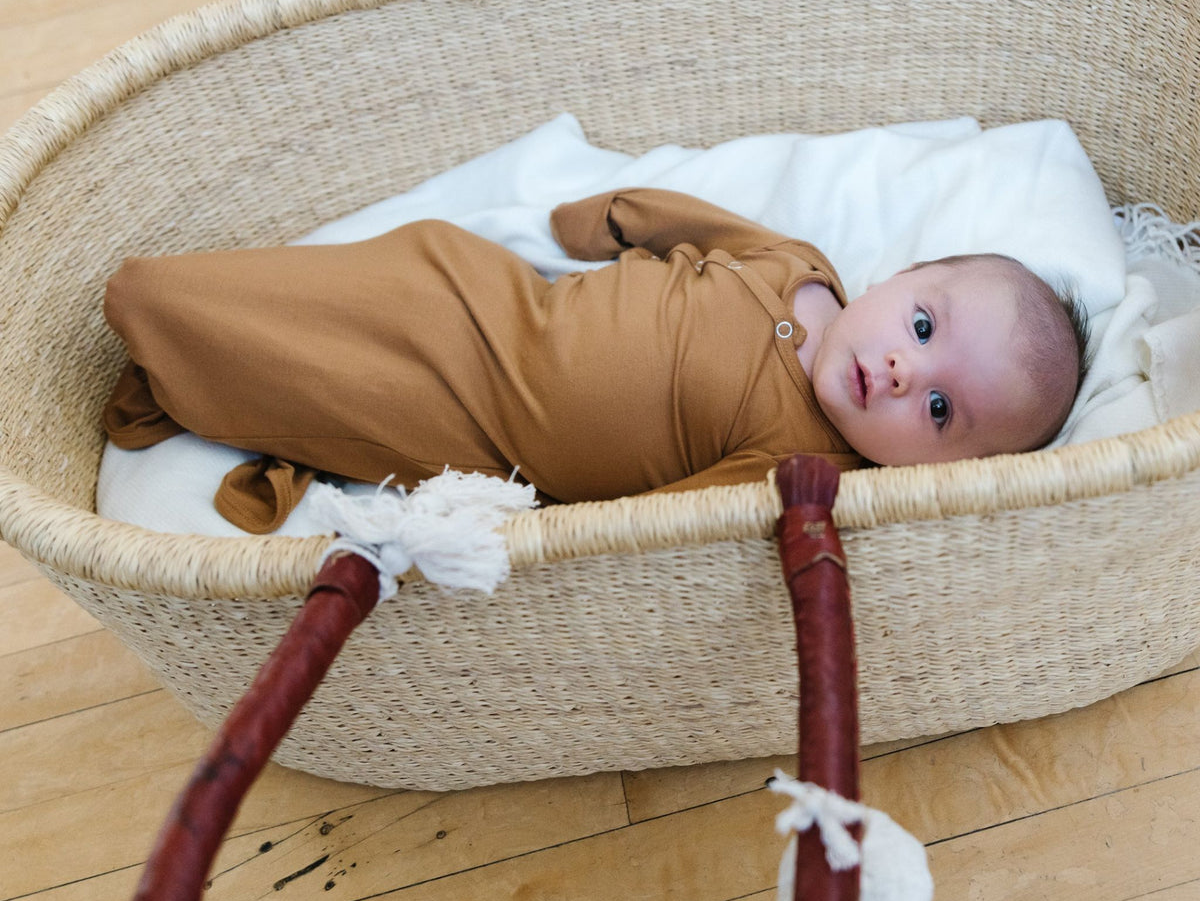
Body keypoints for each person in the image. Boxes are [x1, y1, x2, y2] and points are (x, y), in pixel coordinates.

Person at [101, 188, 1089, 533]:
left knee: (321, 378)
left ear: (941, 474)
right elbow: (695, 227)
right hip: (486, 294)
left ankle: (189, 366)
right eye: (923, 327)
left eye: (944, 415)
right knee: (360, 286)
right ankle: (196, 336)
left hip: (484, 426)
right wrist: (613, 219)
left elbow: (661, 526)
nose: (908, 375)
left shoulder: (806, 467)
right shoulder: (796, 265)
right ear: (902, 276)